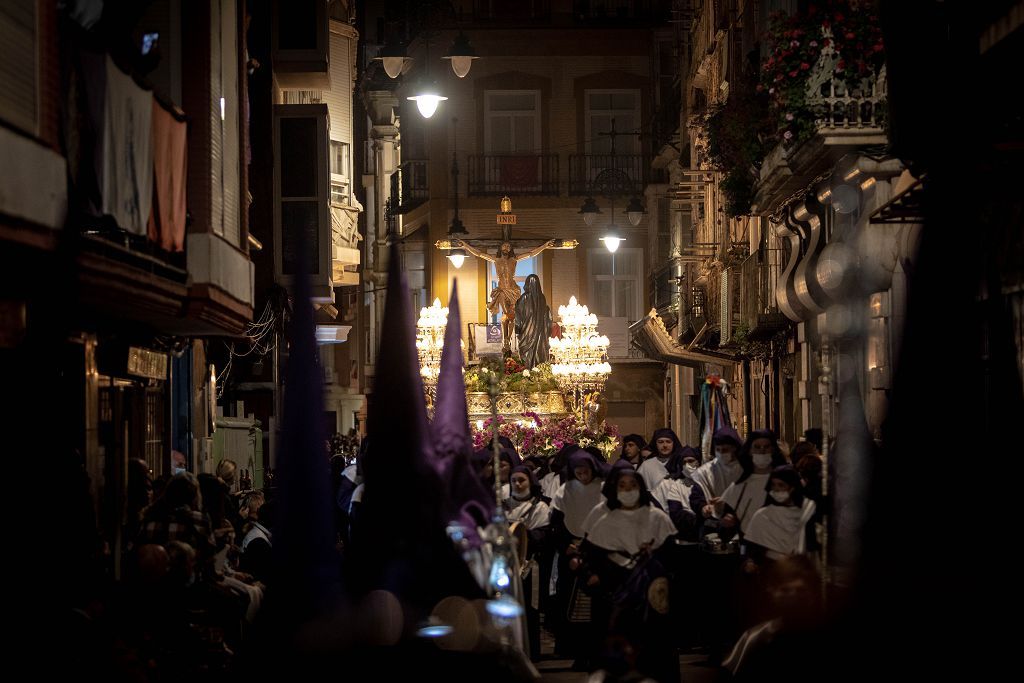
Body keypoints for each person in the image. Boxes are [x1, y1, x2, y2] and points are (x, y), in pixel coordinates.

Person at [455, 239, 557, 352]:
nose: (506, 248)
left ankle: (507, 340)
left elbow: (531, 254)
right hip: (502, 290)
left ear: (511, 249)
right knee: (506, 315)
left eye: (508, 247)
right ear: (500, 248)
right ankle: (505, 340)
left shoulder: (514, 259)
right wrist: (465, 246)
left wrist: (544, 246)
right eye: (504, 246)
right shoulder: (495, 259)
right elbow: (479, 253)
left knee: (512, 317)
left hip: (513, 290)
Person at [514, 273, 552, 369]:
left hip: (526, 334)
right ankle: (539, 373)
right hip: (540, 334)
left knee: (527, 356)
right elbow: (547, 317)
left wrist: (517, 329)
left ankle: (528, 374)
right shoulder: (542, 298)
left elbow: (518, 316)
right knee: (539, 354)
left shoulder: (523, 298)